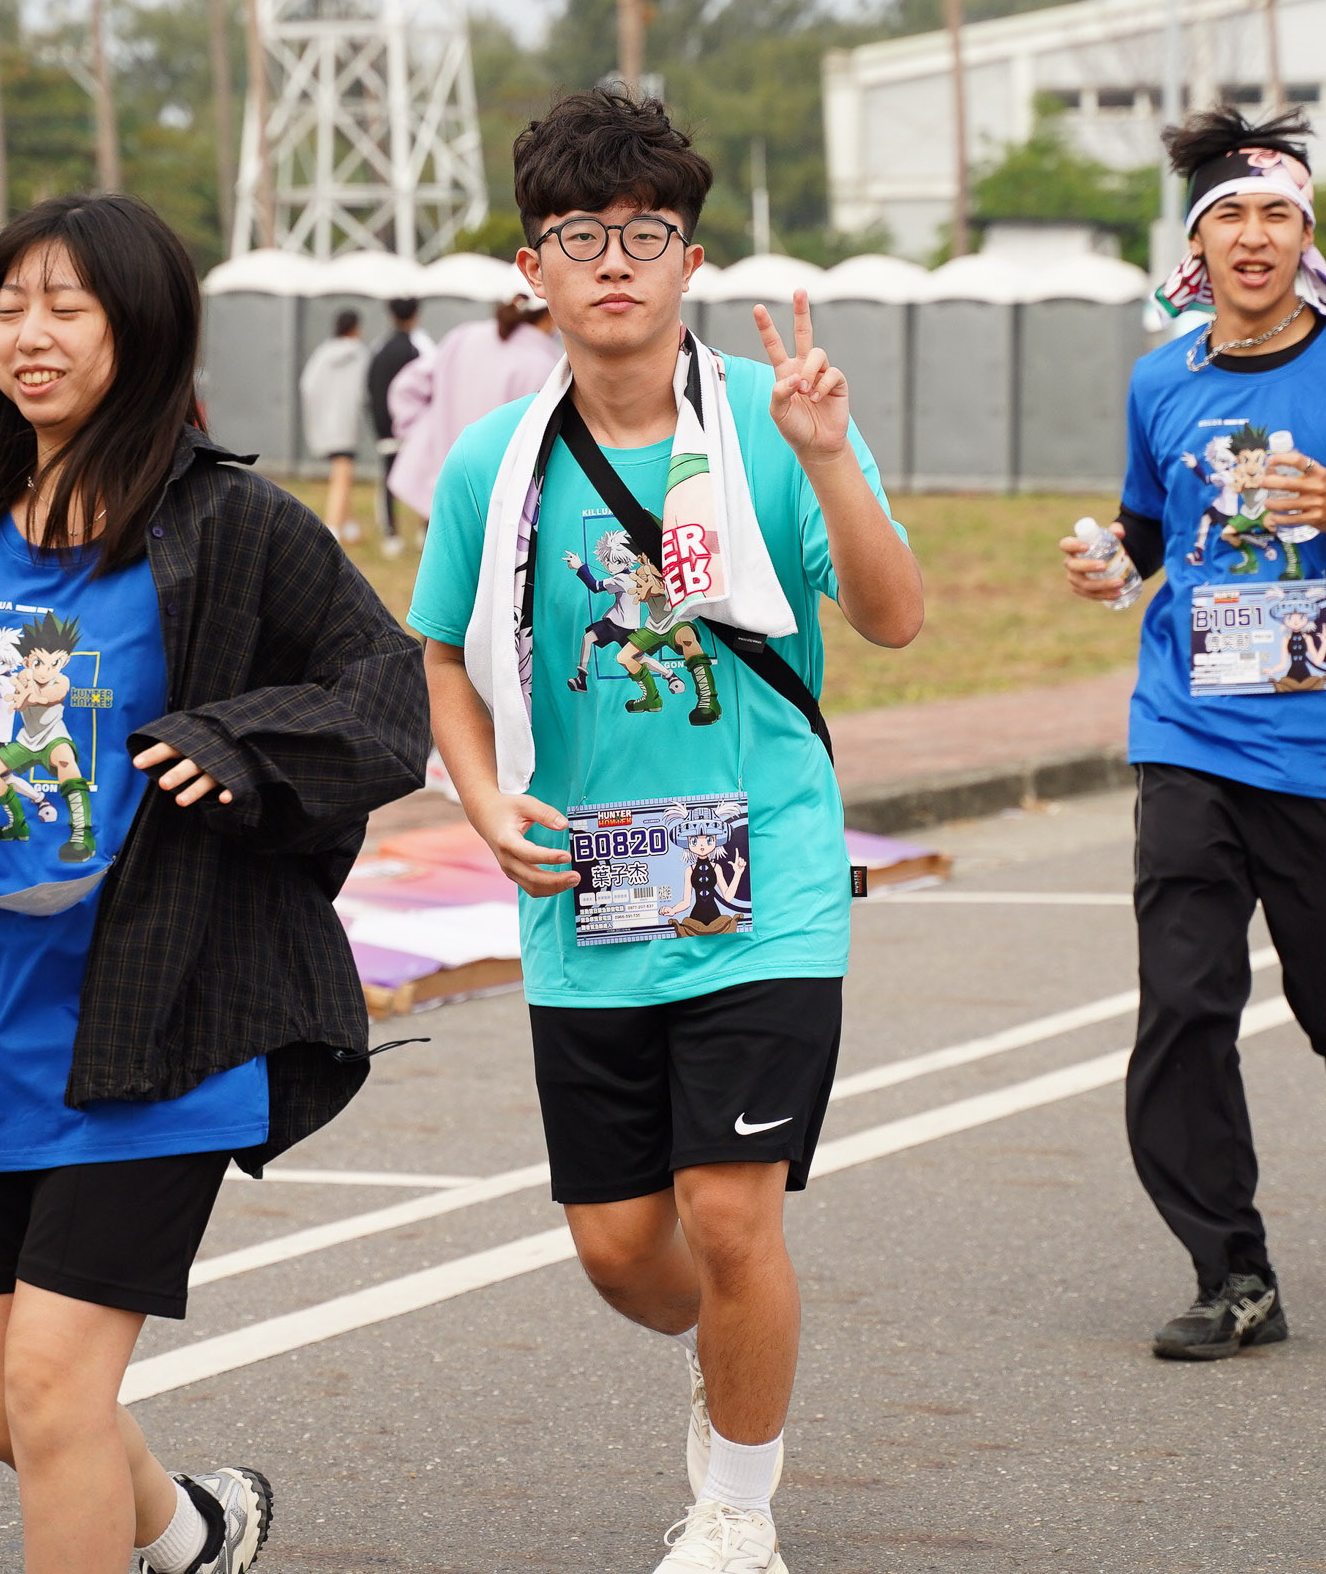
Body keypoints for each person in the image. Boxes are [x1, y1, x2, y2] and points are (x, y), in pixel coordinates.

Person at [0, 192, 428, 1574]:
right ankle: (195, 1532)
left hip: (165, 1018)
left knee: (51, 1392)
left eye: (66, 308)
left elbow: (386, 693)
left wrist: (235, 743)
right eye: (9, 308)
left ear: (138, 331)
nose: (30, 336)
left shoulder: (233, 523)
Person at [414, 91, 923, 1574]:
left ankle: (737, 1508)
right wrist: (479, 796)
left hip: (767, 884)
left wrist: (829, 455)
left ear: (690, 260)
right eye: (581, 237)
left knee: (731, 1211)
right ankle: (738, 1355)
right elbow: (440, 652)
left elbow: (894, 618)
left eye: (646, 235)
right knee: (624, 1251)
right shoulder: (493, 464)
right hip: (588, 897)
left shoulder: (771, 422)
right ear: (534, 270)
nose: (615, 263)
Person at [1062, 106, 1326, 1365]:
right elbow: (1151, 525)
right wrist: (1113, 560)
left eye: (1276, 216)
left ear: (1307, 237)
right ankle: (1233, 1272)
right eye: (1229, 217)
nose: (1253, 237)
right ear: (1196, 244)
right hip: (1190, 731)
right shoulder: (1161, 380)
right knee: (1182, 1006)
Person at [385, 290, 562, 518]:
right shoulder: (545, 365)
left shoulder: (465, 336)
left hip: (442, 481)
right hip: (498, 500)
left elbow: (405, 387)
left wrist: (422, 437)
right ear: (549, 313)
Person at [298, 306, 373, 543]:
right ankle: (332, 528)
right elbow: (365, 389)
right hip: (347, 424)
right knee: (342, 476)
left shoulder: (323, 353)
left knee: (342, 474)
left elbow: (307, 385)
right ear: (355, 328)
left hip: (326, 425)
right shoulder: (360, 353)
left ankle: (349, 525)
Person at [365, 294, 431, 554]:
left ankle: (390, 535)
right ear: (415, 315)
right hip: (416, 428)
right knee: (426, 477)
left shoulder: (378, 349)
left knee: (388, 480)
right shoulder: (420, 348)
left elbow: (369, 388)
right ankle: (425, 532)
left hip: (384, 427)